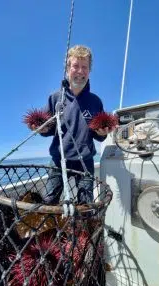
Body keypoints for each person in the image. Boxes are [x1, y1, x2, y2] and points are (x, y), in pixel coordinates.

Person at [33, 45, 113, 204]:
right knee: (49, 201)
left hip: (86, 162)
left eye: (85, 67)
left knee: (86, 204)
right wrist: (41, 128)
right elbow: (47, 129)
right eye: (76, 66)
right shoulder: (55, 98)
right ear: (68, 68)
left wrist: (103, 133)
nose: (80, 71)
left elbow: (98, 135)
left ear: (89, 71)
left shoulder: (95, 102)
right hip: (58, 160)